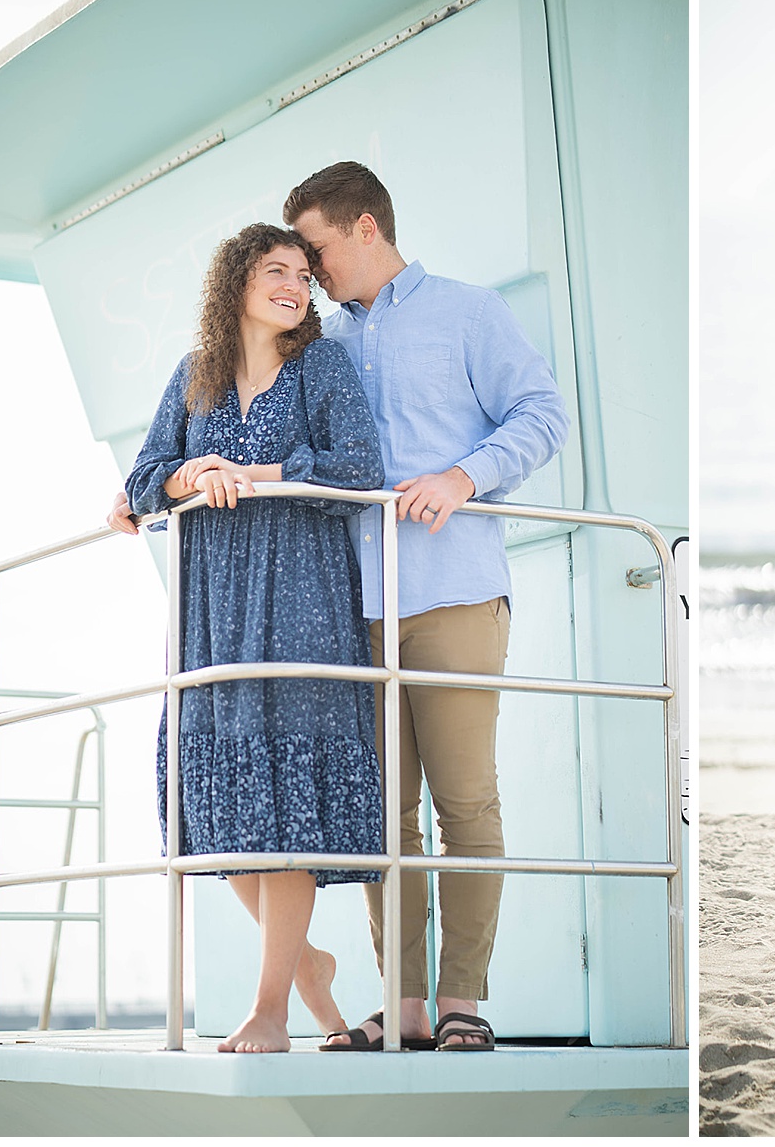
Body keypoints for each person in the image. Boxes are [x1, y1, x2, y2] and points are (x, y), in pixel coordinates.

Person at [285, 162, 570, 1052]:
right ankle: (403, 1005)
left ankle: (463, 1004)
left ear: (366, 228)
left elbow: (541, 412)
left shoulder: (470, 312)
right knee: (381, 814)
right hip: (354, 605)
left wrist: (463, 475)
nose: (310, 268)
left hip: (454, 592)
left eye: (318, 248)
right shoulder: (317, 344)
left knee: (466, 804)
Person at [124, 223, 386, 1053]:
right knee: (220, 803)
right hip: (211, 615)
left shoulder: (321, 366)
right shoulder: (194, 376)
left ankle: (271, 1006)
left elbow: (359, 468)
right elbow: (141, 478)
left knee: (286, 797)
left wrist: (257, 475)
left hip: (302, 600)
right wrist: (189, 473)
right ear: (234, 281)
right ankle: (305, 966)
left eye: (304, 275)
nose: (294, 286)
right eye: (276, 270)